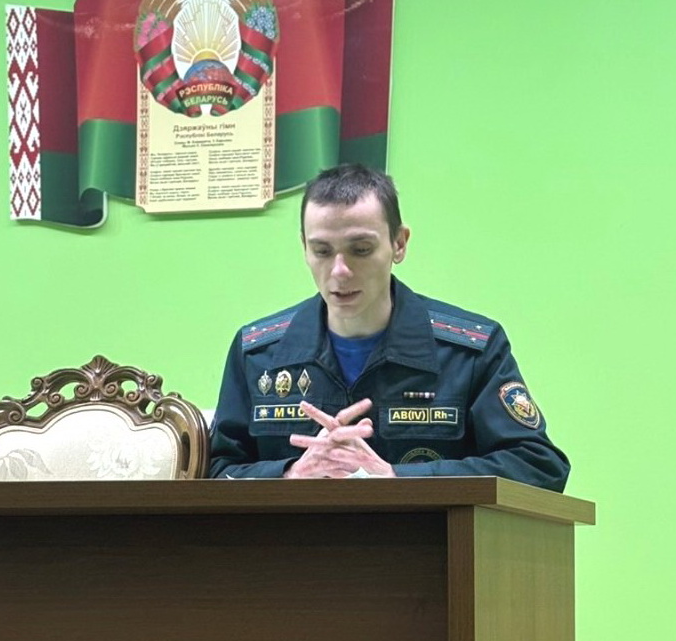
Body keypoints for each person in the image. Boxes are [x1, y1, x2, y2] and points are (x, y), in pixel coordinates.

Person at [207, 164, 569, 491]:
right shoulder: (257, 354)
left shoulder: (469, 351)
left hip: (429, 541)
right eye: (322, 251)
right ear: (304, 247)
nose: (340, 271)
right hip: (291, 542)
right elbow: (215, 469)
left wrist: (394, 478)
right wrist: (291, 474)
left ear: (399, 244)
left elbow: (538, 465)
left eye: (361, 249)